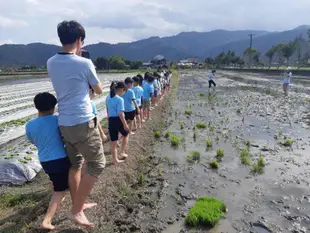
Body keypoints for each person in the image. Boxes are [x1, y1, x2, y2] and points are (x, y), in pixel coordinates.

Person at [47, 20, 105, 228]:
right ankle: (76, 210)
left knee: (76, 164)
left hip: (65, 123)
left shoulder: (51, 62)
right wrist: (83, 63)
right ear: (80, 40)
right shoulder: (84, 63)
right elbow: (97, 90)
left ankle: (78, 203)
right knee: (97, 164)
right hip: (82, 121)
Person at [25, 92, 71, 230]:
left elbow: (32, 141)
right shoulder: (57, 120)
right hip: (60, 159)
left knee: (54, 181)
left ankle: (56, 197)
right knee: (60, 190)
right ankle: (47, 220)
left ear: (36, 107)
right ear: (53, 107)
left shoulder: (30, 124)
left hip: (44, 161)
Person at [106, 81, 129, 165]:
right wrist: (125, 124)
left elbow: (107, 107)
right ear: (122, 89)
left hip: (111, 120)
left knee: (113, 141)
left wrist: (108, 115)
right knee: (126, 134)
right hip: (118, 120)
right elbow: (120, 113)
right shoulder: (120, 99)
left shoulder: (108, 97)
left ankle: (115, 160)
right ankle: (122, 152)